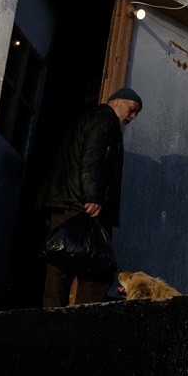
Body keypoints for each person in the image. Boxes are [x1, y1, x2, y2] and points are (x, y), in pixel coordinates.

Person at [37, 87, 142, 306]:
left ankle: (52, 316)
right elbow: (92, 157)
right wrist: (93, 196)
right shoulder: (105, 119)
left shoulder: (93, 119)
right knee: (97, 269)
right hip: (82, 204)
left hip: (70, 202)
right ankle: (84, 317)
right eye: (132, 110)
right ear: (117, 101)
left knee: (62, 261)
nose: (133, 117)